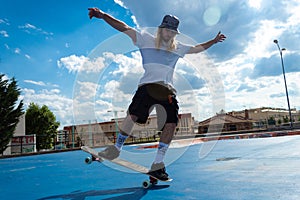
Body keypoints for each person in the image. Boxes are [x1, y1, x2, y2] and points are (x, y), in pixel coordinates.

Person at [88, 7, 226, 180]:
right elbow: (123, 27)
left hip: (167, 91)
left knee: (171, 123)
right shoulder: (146, 39)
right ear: (161, 29)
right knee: (132, 116)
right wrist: (103, 16)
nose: (169, 34)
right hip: (147, 86)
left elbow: (197, 49)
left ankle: (158, 164)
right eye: (167, 30)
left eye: (172, 32)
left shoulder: (179, 48)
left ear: (175, 34)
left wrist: (213, 41)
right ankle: (116, 148)